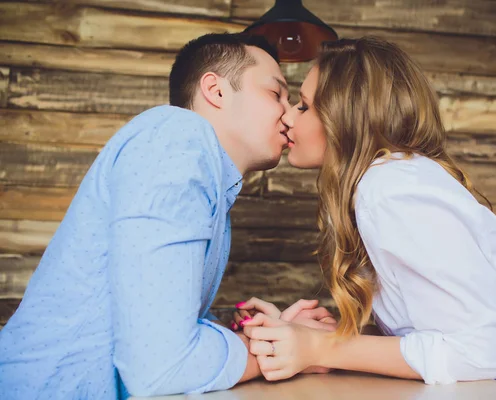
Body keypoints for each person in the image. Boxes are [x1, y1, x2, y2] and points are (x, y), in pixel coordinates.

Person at [236, 37, 496, 400]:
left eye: (303, 106)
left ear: (346, 118)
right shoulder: (390, 182)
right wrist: (328, 338)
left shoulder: (390, 189)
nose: (287, 116)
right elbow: (436, 334)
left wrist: (323, 347)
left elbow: (479, 352)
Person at [0, 32, 320, 399]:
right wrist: (286, 351)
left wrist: (261, 334)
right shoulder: (177, 139)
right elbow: (162, 367)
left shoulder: (209, 178)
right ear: (216, 91)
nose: (288, 111)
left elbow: (158, 332)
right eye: (275, 93)